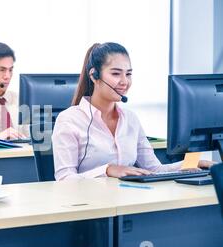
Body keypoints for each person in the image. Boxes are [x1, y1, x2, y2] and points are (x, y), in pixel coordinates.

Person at [52, 42, 214, 180]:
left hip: (127, 203)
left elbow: (154, 169)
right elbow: (64, 179)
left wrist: (194, 162)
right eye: (116, 73)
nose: (124, 81)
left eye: (128, 74)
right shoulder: (69, 120)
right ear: (94, 76)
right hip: (89, 207)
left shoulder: (130, 119)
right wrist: (107, 170)